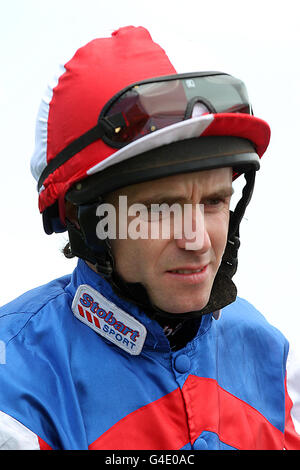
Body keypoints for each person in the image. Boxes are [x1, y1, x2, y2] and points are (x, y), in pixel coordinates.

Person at [0, 25, 299, 451]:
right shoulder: (14, 390)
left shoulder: (271, 355)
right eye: (160, 208)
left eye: (214, 201)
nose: (197, 240)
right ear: (87, 222)